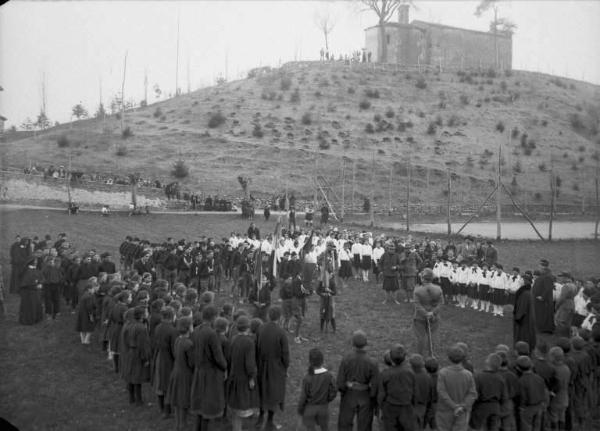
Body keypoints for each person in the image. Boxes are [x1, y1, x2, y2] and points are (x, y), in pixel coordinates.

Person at [190, 305, 227, 431]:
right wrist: (225, 367)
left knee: (200, 404)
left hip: (199, 370)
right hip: (210, 373)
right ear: (214, 317)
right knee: (207, 406)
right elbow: (218, 357)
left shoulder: (196, 330)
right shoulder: (212, 334)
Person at [337, 330, 379, 431]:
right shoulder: (372, 362)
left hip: (349, 394)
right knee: (364, 426)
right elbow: (375, 384)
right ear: (366, 343)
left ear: (352, 343)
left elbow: (340, 382)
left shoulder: (346, 359)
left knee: (344, 425)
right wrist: (372, 396)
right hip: (365, 395)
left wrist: (344, 391)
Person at [256, 306, 290, 431]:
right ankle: (269, 421)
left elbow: (256, 346)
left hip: (261, 364)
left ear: (269, 316)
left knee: (262, 389)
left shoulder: (261, 328)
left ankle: (260, 416)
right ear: (279, 317)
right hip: (276, 367)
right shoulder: (281, 333)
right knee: (274, 392)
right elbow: (285, 354)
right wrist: (285, 368)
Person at [226, 316, 259, 431]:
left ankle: (236, 428)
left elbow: (229, 358)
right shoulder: (249, 342)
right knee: (241, 406)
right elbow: (250, 364)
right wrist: (251, 378)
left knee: (235, 407)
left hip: (234, 375)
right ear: (248, 328)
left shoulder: (233, 339)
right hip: (244, 378)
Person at [435, 344, 477, 431]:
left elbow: (441, 392)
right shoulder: (468, 374)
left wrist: (454, 406)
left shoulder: (443, 373)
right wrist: (462, 407)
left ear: (449, 358)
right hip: (462, 412)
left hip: (445, 411)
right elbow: (472, 394)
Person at [377, 344, 415, 431]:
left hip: (391, 407)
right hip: (406, 407)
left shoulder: (385, 373)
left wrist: (380, 406)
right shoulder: (410, 373)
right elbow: (415, 392)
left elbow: (381, 394)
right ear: (405, 357)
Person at [297, 348, 337, 431]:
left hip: (310, 408)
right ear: (322, 361)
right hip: (323, 408)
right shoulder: (328, 376)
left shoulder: (307, 378)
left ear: (310, 362)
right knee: (325, 428)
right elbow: (333, 391)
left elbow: (303, 396)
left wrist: (300, 409)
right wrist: (327, 399)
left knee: (310, 428)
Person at [167, 316, 194, 431]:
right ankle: (182, 425)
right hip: (185, 374)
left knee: (178, 401)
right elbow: (191, 362)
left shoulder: (178, 340)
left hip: (176, 371)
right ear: (189, 327)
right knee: (183, 400)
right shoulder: (188, 344)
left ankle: (178, 424)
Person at [122, 305, 152, 406]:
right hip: (138, 353)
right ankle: (138, 400)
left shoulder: (129, 324)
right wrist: (146, 358)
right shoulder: (141, 328)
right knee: (137, 377)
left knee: (131, 375)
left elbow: (125, 339)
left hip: (130, 351)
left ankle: (131, 398)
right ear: (142, 315)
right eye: (146, 312)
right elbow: (143, 345)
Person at [151, 306, 178, 418]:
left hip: (159, 357)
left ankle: (161, 408)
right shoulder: (173, 330)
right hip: (168, 360)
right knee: (167, 385)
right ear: (172, 316)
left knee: (160, 384)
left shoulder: (158, 327)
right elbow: (174, 349)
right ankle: (167, 411)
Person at [469, 353, 507, 431]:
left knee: (479, 428)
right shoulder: (500, 378)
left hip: (481, 408)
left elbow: (475, 395)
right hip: (495, 407)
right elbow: (504, 397)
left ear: (487, 362)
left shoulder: (478, 377)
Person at [413, 268, 444, 356]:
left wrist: (426, 313)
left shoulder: (417, 290)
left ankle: (419, 355)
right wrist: (433, 313)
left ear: (423, 278)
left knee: (420, 337)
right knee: (433, 336)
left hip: (420, 317)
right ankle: (432, 354)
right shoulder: (438, 288)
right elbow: (441, 303)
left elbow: (417, 304)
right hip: (434, 317)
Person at [515, 355, 549, 431]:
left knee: (526, 427)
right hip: (539, 406)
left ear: (518, 368)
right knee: (537, 426)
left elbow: (523, 396)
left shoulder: (521, 381)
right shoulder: (539, 378)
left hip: (528, 408)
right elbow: (543, 391)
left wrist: (522, 407)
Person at [514, 271, 537, 349]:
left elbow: (522, 307)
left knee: (523, 333)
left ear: (525, 281)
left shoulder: (525, 294)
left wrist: (518, 318)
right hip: (525, 316)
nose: (520, 281)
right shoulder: (524, 291)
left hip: (524, 319)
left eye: (521, 279)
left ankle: (522, 347)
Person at [532, 259, 555, 337]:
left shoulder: (547, 275)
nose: (539, 267)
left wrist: (542, 297)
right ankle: (540, 328)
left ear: (543, 266)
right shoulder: (544, 274)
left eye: (540, 265)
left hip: (544, 301)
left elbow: (548, 288)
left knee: (544, 315)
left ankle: (544, 329)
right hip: (539, 299)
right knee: (540, 314)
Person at [18, 257, 44, 325]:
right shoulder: (27, 271)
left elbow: (40, 277)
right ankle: (29, 320)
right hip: (29, 292)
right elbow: (26, 282)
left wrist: (40, 283)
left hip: (36, 291)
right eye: (35, 261)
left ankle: (36, 318)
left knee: (37, 304)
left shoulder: (36, 269)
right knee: (30, 306)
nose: (36, 262)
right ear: (31, 262)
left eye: (37, 261)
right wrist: (35, 285)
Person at [75, 278, 98, 344]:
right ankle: (86, 340)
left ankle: (83, 340)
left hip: (82, 313)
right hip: (87, 314)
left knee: (82, 327)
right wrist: (91, 315)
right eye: (93, 289)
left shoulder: (85, 294)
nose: (94, 290)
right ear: (89, 289)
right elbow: (89, 307)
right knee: (89, 328)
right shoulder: (89, 296)